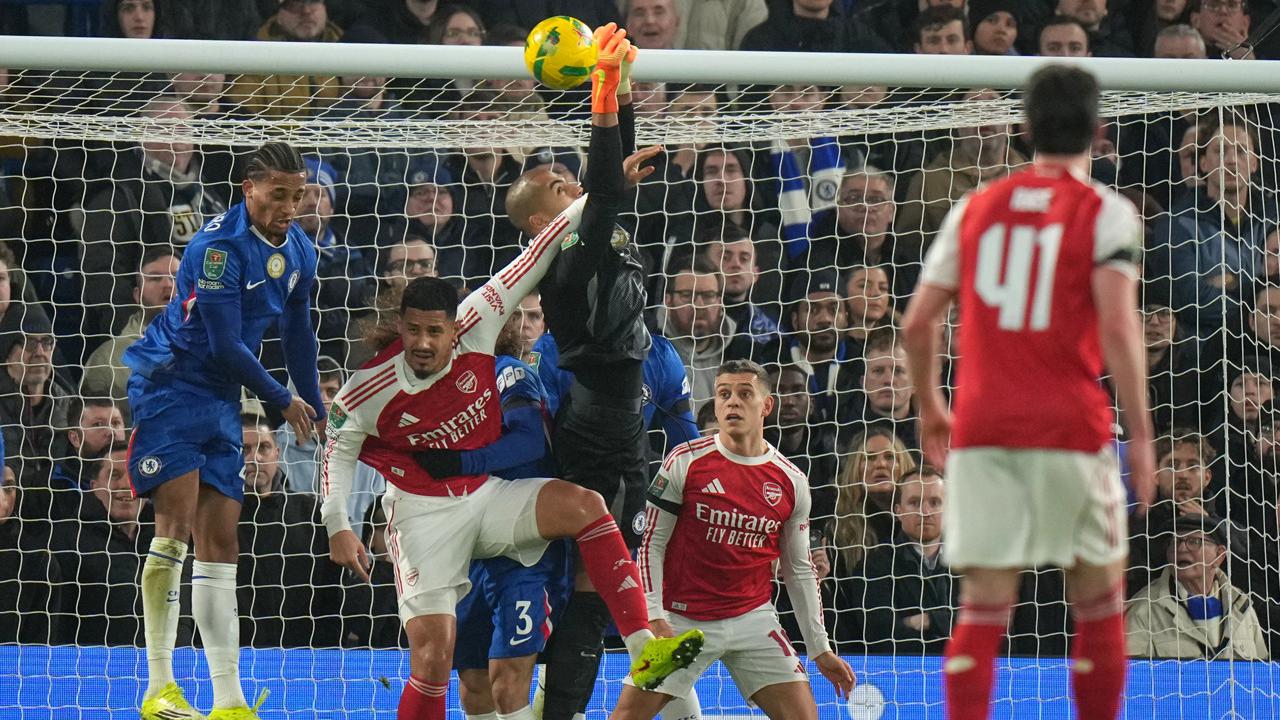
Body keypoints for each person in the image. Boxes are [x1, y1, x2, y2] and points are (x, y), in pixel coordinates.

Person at [322, 26, 702, 720]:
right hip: (435, 502)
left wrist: (619, 101)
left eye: (437, 331)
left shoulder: (483, 313)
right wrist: (337, 523)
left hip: (495, 488)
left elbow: (590, 203)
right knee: (436, 659)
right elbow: (338, 442)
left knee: (587, 517)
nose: (428, 344)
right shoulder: (377, 382)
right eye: (415, 333)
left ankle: (645, 647)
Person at [901, 65, 1153, 720]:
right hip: (1072, 428)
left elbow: (917, 322)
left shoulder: (976, 207)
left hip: (983, 429)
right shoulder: (1107, 212)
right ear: (1099, 131)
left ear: (1024, 128)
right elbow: (1119, 327)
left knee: (983, 607)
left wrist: (931, 406)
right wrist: (1142, 435)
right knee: (1097, 602)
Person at [502, 26, 689, 720]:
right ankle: (581, 695)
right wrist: (605, 91)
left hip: (608, 416)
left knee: (595, 574)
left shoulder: (589, 235)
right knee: (594, 575)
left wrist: (626, 93)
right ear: (539, 221)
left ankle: (562, 708)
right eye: (557, 186)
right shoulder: (569, 259)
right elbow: (607, 185)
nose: (569, 182)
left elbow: (612, 177)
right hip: (605, 421)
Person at [125, 141, 327, 720]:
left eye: (298, 195)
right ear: (249, 189)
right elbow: (223, 343)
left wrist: (314, 405)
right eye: (278, 195)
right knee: (175, 528)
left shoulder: (300, 250)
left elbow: (298, 334)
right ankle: (159, 688)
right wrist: (282, 399)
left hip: (221, 397)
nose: (289, 207)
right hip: (172, 385)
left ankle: (229, 701)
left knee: (222, 542)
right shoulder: (217, 248)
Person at [612, 359, 856, 719]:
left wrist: (820, 647)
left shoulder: (791, 480)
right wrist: (655, 615)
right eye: (723, 394)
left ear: (766, 405)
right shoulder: (685, 461)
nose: (732, 402)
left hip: (752, 618)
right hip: (681, 619)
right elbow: (650, 544)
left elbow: (799, 570)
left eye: (744, 394)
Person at [428, 313, 571, 720]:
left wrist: (463, 462)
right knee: (473, 683)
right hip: (471, 551)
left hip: (525, 551)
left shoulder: (508, 371)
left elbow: (529, 440)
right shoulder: (433, 391)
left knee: (508, 681)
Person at [1125, 514, 1269, 659]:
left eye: (1194, 541)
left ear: (1219, 555)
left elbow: (1263, 670)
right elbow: (1130, 671)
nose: (1181, 548)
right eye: (1175, 542)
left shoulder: (1242, 607)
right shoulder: (1143, 610)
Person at [859, 466, 957, 655]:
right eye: (914, 502)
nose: (925, 511)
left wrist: (927, 620)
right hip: (902, 669)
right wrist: (945, 625)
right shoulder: (874, 566)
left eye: (935, 502)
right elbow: (879, 635)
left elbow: (986, 626)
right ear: (898, 510)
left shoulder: (969, 566)